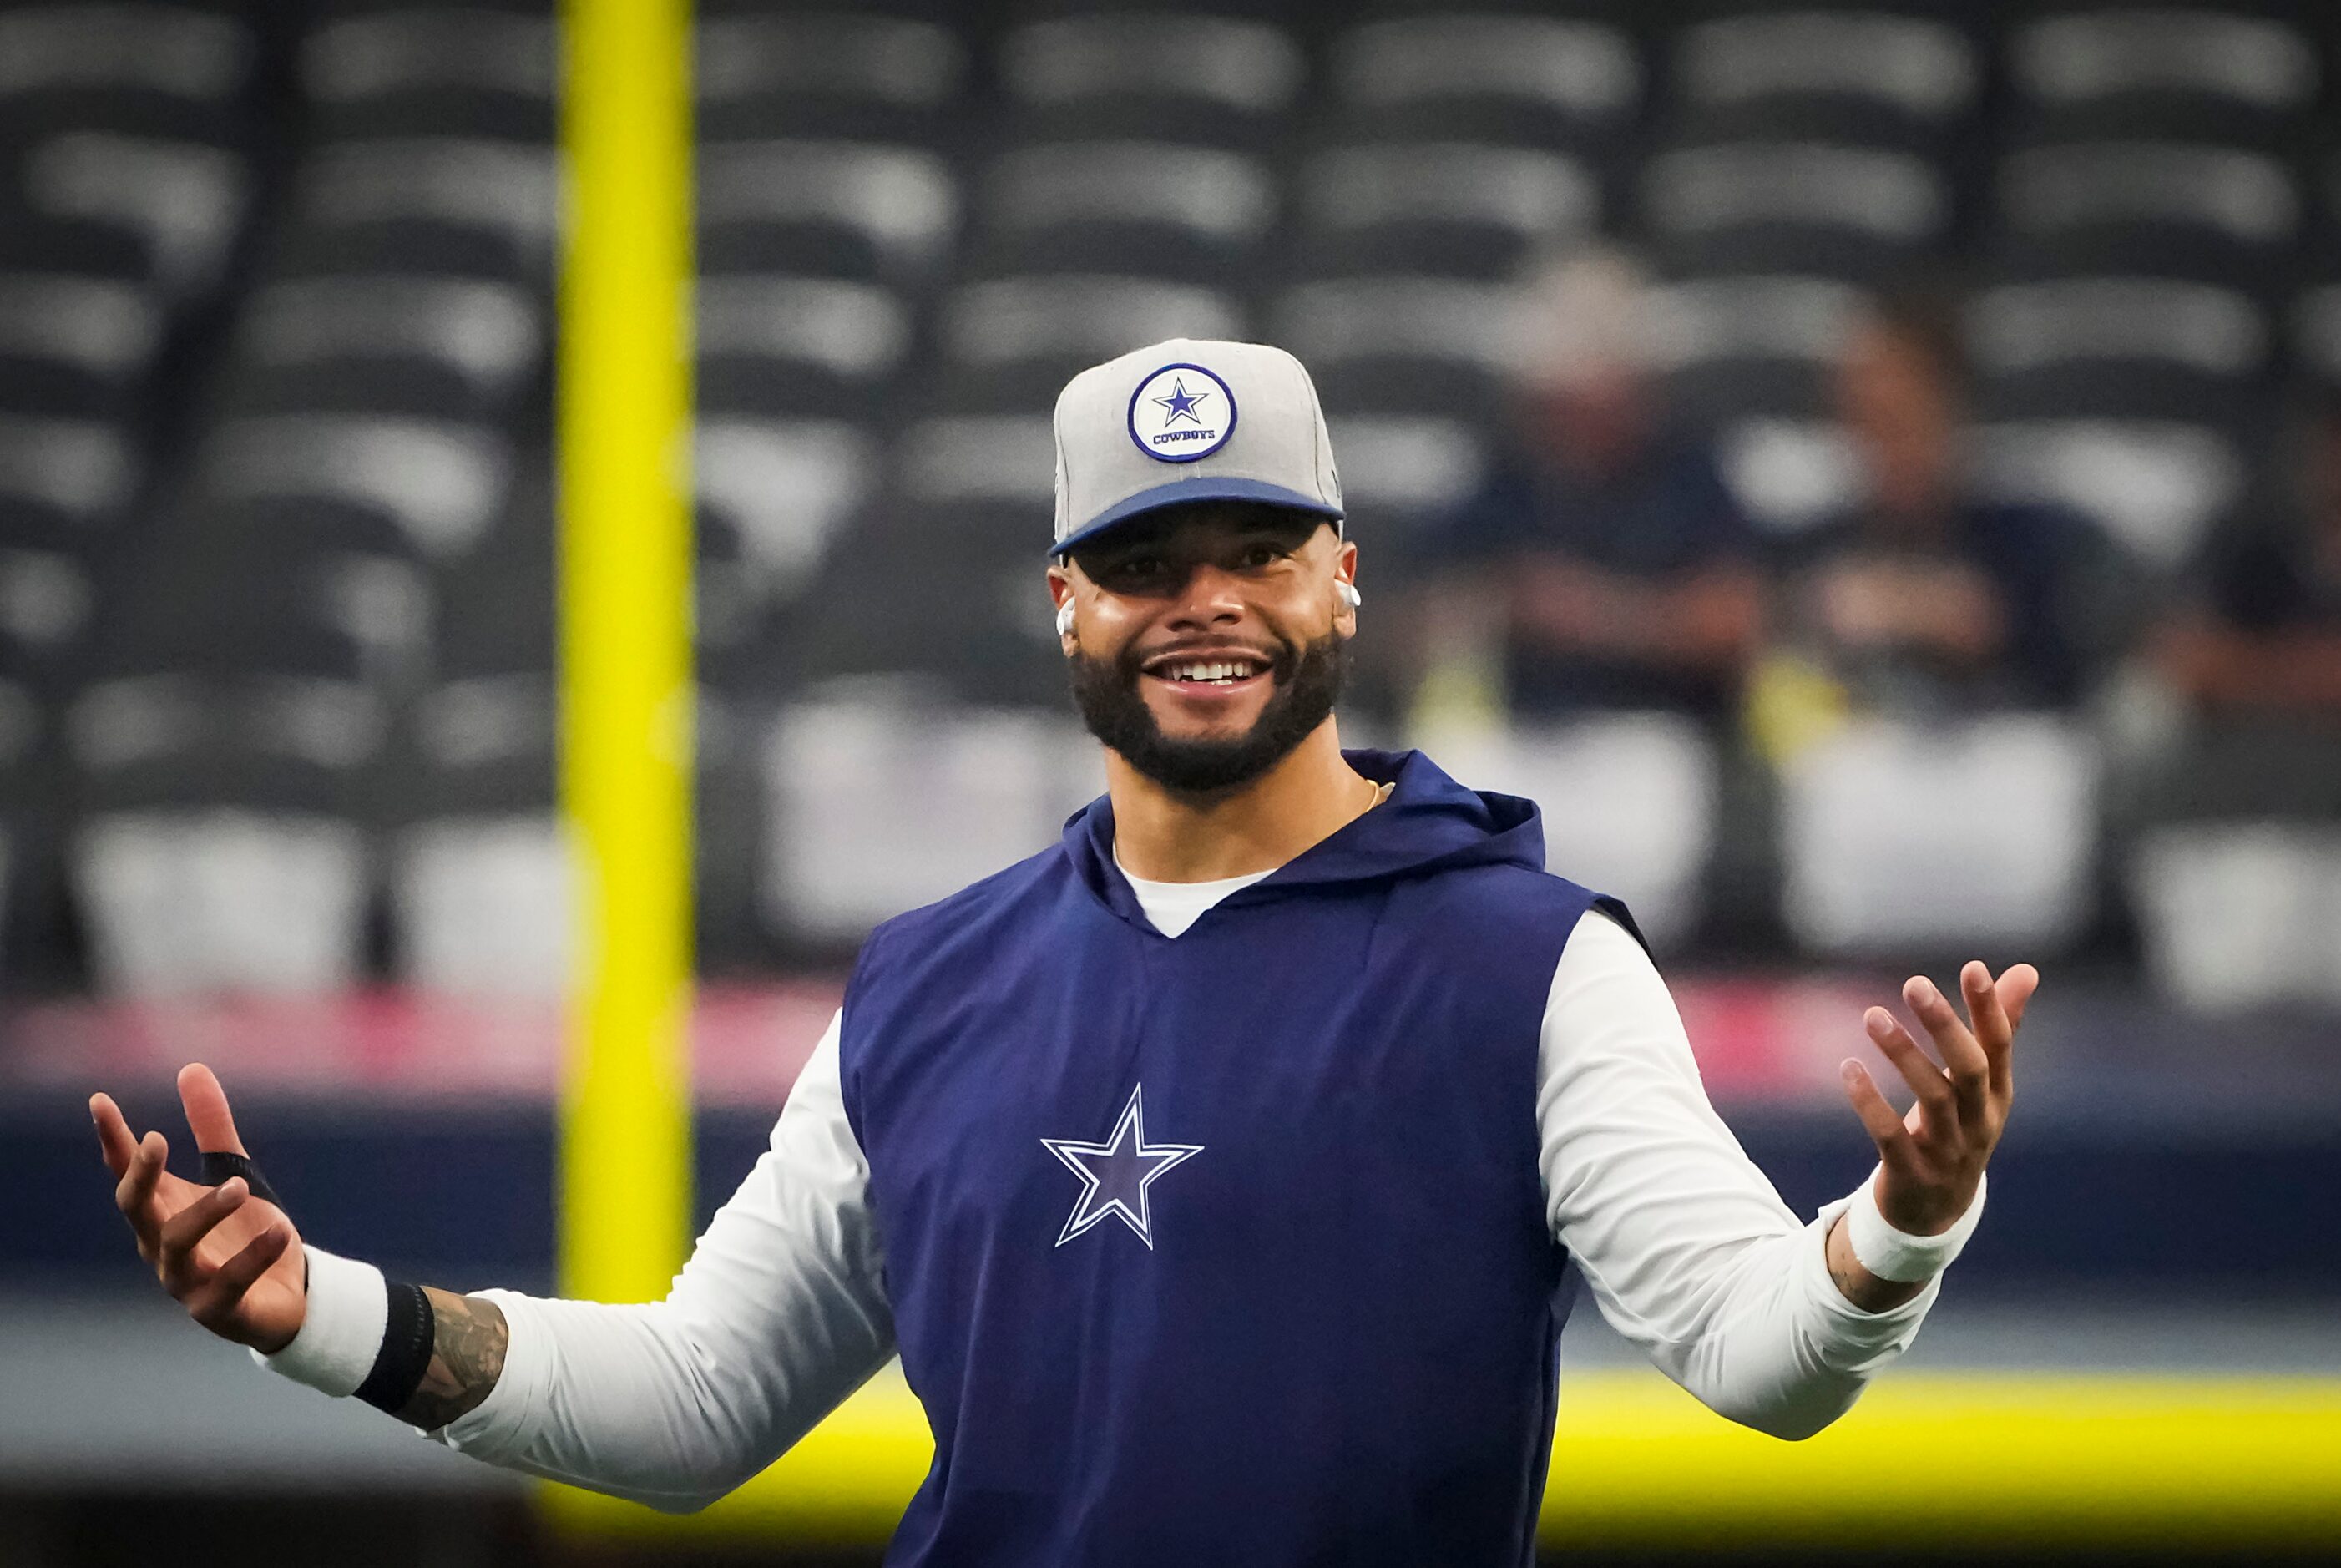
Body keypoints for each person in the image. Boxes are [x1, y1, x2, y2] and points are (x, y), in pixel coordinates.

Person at [92, 339, 2036, 1566]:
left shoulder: (1528, 965)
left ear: (1339, 575)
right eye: (1141, 562)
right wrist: (318, 1313)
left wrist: (1903, 1213)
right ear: (1060, 606)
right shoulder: (923, 982)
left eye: (1255, 549)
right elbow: (697, 1404)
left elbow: (1763, 1361)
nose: (1203, 605)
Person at [1414, 249, 1764, 728]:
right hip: (1524, 732)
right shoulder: (1509, 475)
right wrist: (1499, 606)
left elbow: (1734, 620)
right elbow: (1425, 608)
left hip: (1662, 730)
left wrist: (1602, 615)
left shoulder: (1688, 472)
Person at [1768, 286, 2099, 724]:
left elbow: (2072, 669)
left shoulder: (2039, 542)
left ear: (1951, 408)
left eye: (1903, 419)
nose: (1884, 445)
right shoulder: (1809, 548)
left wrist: (1970, 623)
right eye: (1865, 419)